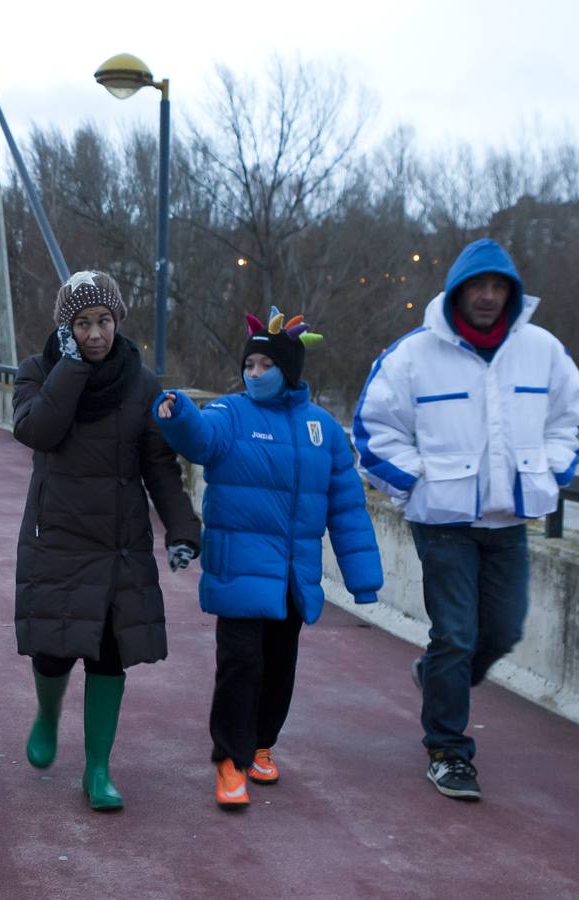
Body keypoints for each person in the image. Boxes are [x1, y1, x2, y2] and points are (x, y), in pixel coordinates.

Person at [353, 238, 579, 801]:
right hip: (442, 523)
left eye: (497, 287)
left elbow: (567, 420)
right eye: (477, 287)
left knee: (504, 629)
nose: (487, 297)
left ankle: (437, 679)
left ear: (511, 293)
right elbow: (371, 431)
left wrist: (551, 473)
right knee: (455, 634)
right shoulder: (413, 354)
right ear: (457, 291)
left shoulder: (543, 350)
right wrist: (421, 483)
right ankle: (449, 751)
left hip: (508, 523)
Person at [153, 308, 384, 810]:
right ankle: (230, 761)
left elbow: (347, 508)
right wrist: (178, 415)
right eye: (249, 365)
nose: (253, 374)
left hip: (293, 580)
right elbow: (200, 437)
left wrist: (362, 578)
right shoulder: (230, 414)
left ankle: (261, 745)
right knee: (240, 664)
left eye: (265, 365)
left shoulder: (323, 429)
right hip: (239, 571)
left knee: (280, 668)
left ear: (289, 370)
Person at [12, 270, 200, 811]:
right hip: (59, 537)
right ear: (67, 328)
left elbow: (160, 469)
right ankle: (47, 716)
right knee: (52, 648)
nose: (96, 334)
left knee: (109, 656)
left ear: (118, 321)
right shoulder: (37, 372)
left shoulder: (141, 383)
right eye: (84, 323)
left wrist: (183, 531)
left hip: (119, 541)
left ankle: (98, 769)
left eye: (104, 321)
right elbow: (37, 431)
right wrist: (69, 366)